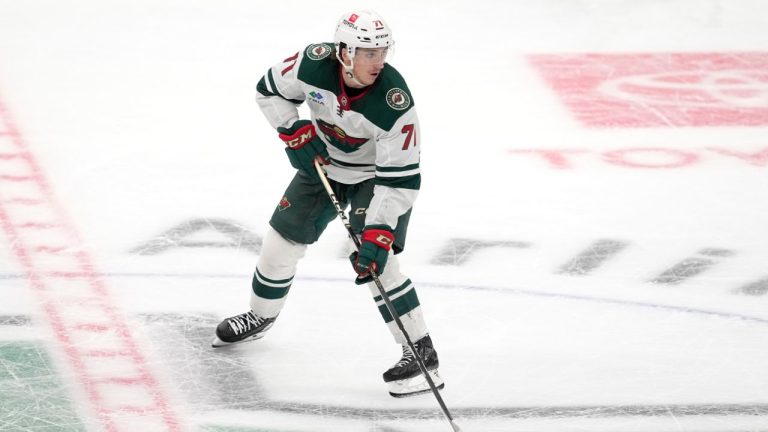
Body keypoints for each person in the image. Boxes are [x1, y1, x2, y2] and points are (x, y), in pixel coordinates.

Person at [212, 10, 442, 398]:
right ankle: (261, 316)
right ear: (344, 52)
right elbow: (269, 90)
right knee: (279, 243)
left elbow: (399, 179)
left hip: (377, 179)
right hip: (325, 165)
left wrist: (379, 229)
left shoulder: (394, 102)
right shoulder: (313, 63)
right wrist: (293, 129)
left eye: (382, 51)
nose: (378, 61)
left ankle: (421, 355)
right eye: (368, 53)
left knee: (376, 260)